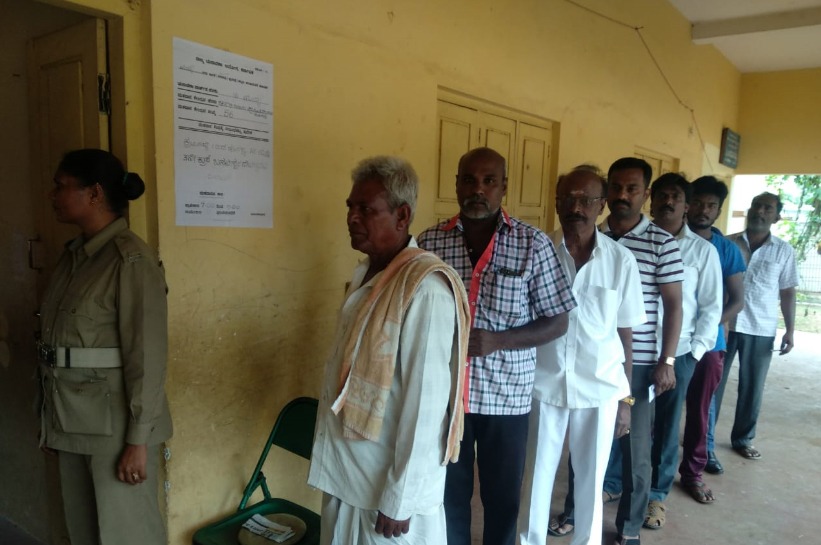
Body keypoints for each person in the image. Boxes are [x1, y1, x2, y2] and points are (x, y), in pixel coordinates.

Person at [308, 156, 471, 544]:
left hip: (387, 497)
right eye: (350, 207)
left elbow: (426, 407)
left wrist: (401, 498)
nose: (352, 217)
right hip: (351, 475)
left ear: (402, 216)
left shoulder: (425, 290)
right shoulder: (365, 273)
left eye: (366, 209)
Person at [418, 147, 575, 545]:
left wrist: (500, 340)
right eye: (469, 180)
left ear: (504, 187)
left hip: (506, 399)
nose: (478, 190)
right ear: (456, 184)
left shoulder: (532, 244)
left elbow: (558, 319)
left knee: (502, 500)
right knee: (446, 495)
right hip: (446, 397)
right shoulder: (429, 242)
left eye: (489, 181)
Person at [37, 149, 172, 545]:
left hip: (117, 430)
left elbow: (146, 358)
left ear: (94, 193)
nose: (53, 195)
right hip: (71, 419)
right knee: (81, 534)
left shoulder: (130, 261)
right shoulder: (74, 258)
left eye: (62, 186)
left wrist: (138, 441)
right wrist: (47, 420)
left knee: (127, 535)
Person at [551, 158, 684, 545]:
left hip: (639, 363)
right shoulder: (591, 232)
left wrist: (667, 361)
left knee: (634, 449)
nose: (623, 195)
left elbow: (674, 305)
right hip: (589, 362)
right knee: (585, 446)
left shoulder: (661, 241)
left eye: (633, 189)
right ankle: (575, 512)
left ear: (645, 194)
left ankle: (628, 526)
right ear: (605, 195)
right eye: (617, 188)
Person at [517, 166, 645, 545]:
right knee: (536, 478)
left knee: (591, 478)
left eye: (586, 199)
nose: (577, 206)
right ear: (556, 202)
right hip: (543, 384)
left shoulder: (621, 262)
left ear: (601, 205)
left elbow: (626, 335)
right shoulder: (537, 253)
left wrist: (626, 401)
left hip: (600, 388)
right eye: (568, 198)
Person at [644, 173, 721, 526]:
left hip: (681, 354)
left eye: (675, 197)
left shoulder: (702, 252)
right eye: (661, 195)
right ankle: (614, 482)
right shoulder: (634, 242)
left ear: (686, 206)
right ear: (651, 200)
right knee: (625, 415)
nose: (668, 202)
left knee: (666, 425)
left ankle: (657, 496)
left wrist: (694, 354)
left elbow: (711, 307)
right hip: (637, 350)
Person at [713, 192, 799, 461]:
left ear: (777, 216)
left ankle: (743, 438)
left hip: (761, 328)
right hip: (725, 324)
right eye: (756, 205)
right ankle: (703, 435)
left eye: (768, 208)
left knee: (752, 387)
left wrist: (791, 329)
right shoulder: (727, 244)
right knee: (713, 383)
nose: (760, 211)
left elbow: (787, 292)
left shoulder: (784, 251)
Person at [679, 176, 746, 496]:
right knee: (655, 411)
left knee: (700, 410)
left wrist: (705, 328)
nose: (704, 210)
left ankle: (692, 472)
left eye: (711, 205)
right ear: (687, 204)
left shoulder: (725, 249)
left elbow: (737, 300)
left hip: (709, 345)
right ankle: (645, 472)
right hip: (667, 342)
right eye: (699, 203)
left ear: (719, 210)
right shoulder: (669, 240)